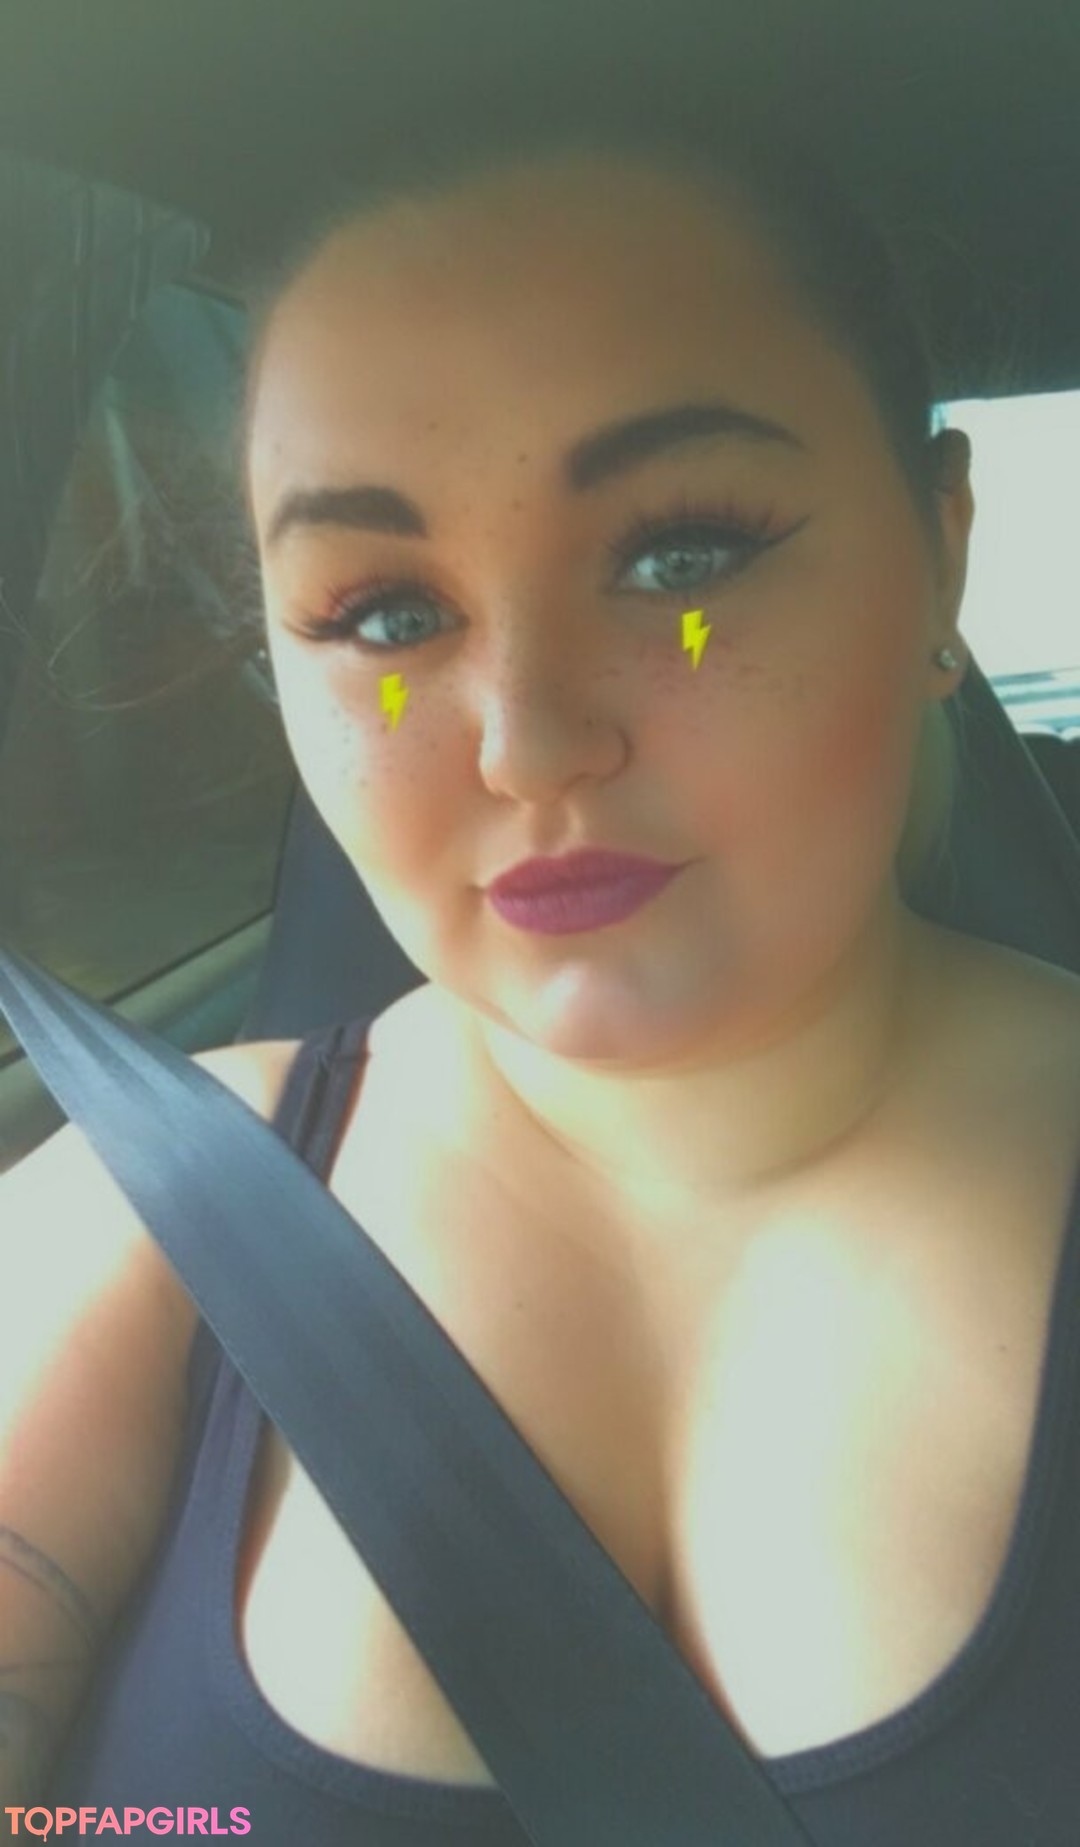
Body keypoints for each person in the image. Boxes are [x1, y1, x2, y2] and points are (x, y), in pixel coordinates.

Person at [4, 99, 1080, 1844]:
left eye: (682, 557)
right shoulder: (137, 1217)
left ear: (941, 549)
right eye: (382, 614)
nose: (526, 744)